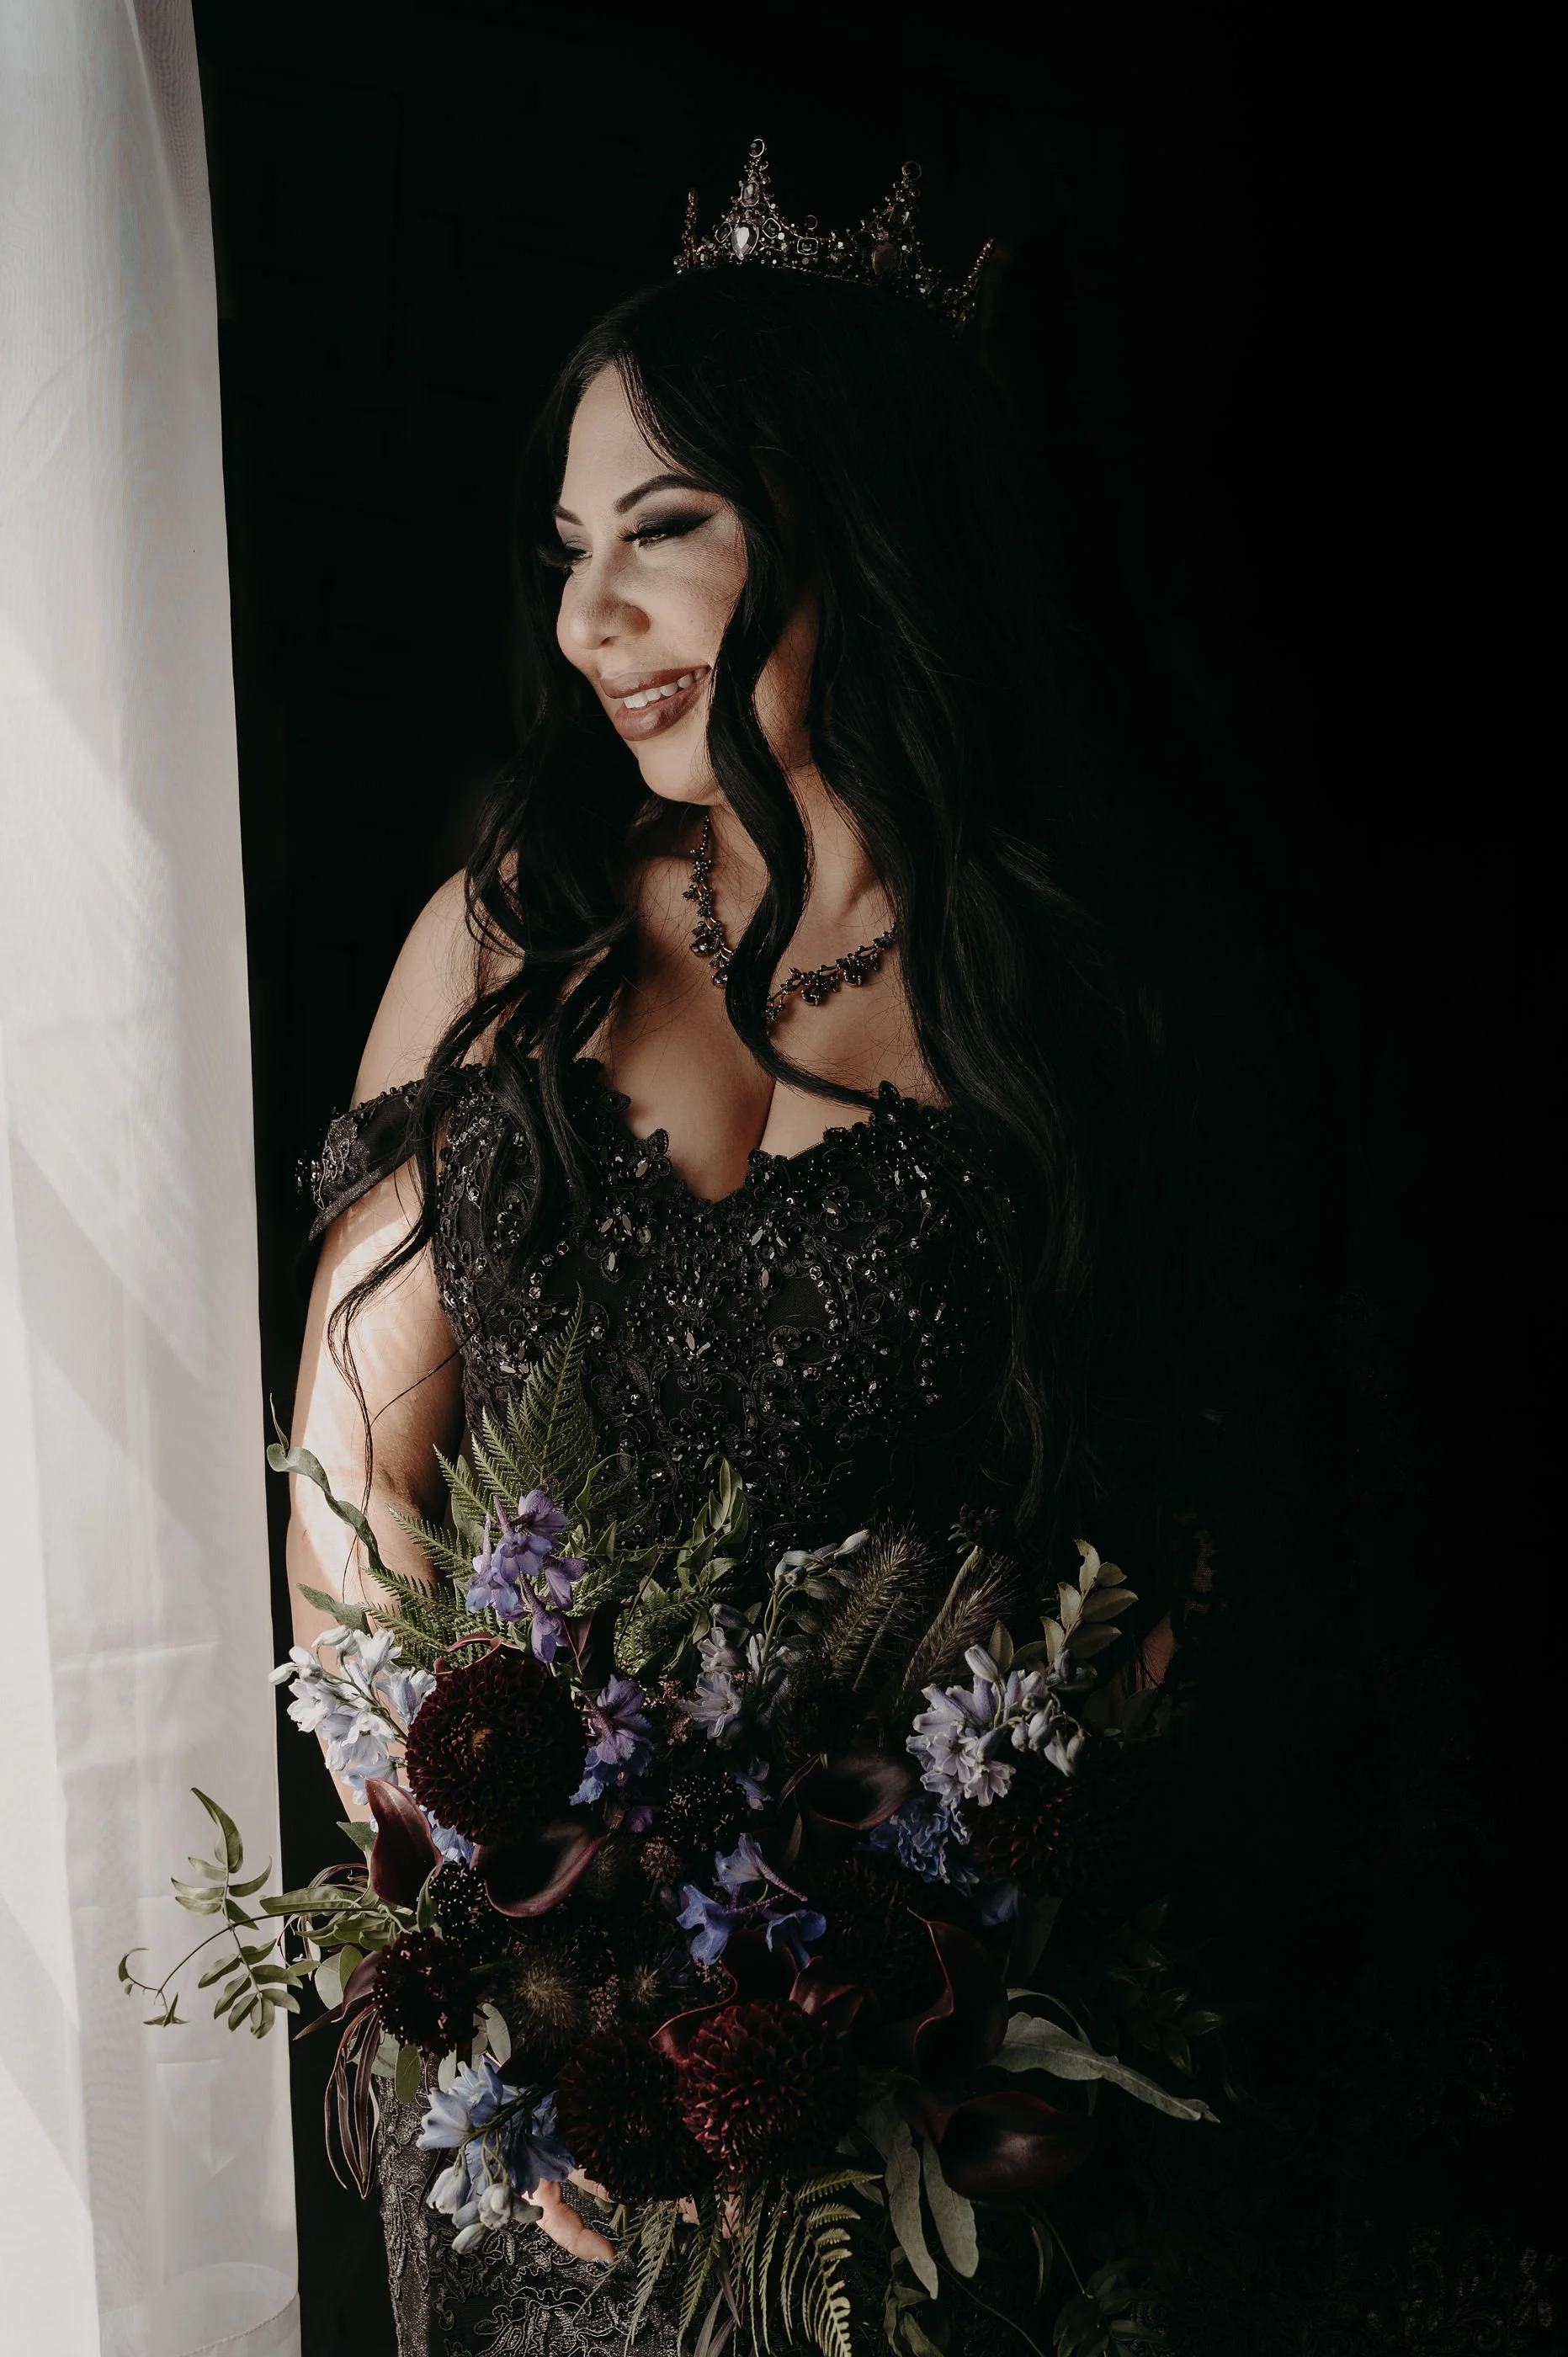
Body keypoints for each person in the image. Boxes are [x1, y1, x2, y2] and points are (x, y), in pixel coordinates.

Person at [289, 147, 1171, 2357]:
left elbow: (1155, 1576)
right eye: (569, 552)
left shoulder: (1068, 996)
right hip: (519, 2057)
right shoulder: (519, 929)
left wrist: (849, 1980)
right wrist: (507, 1951)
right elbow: (347, 1483)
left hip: (892, 2076)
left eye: (662, 535)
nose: (591, 623)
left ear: (855, 522)